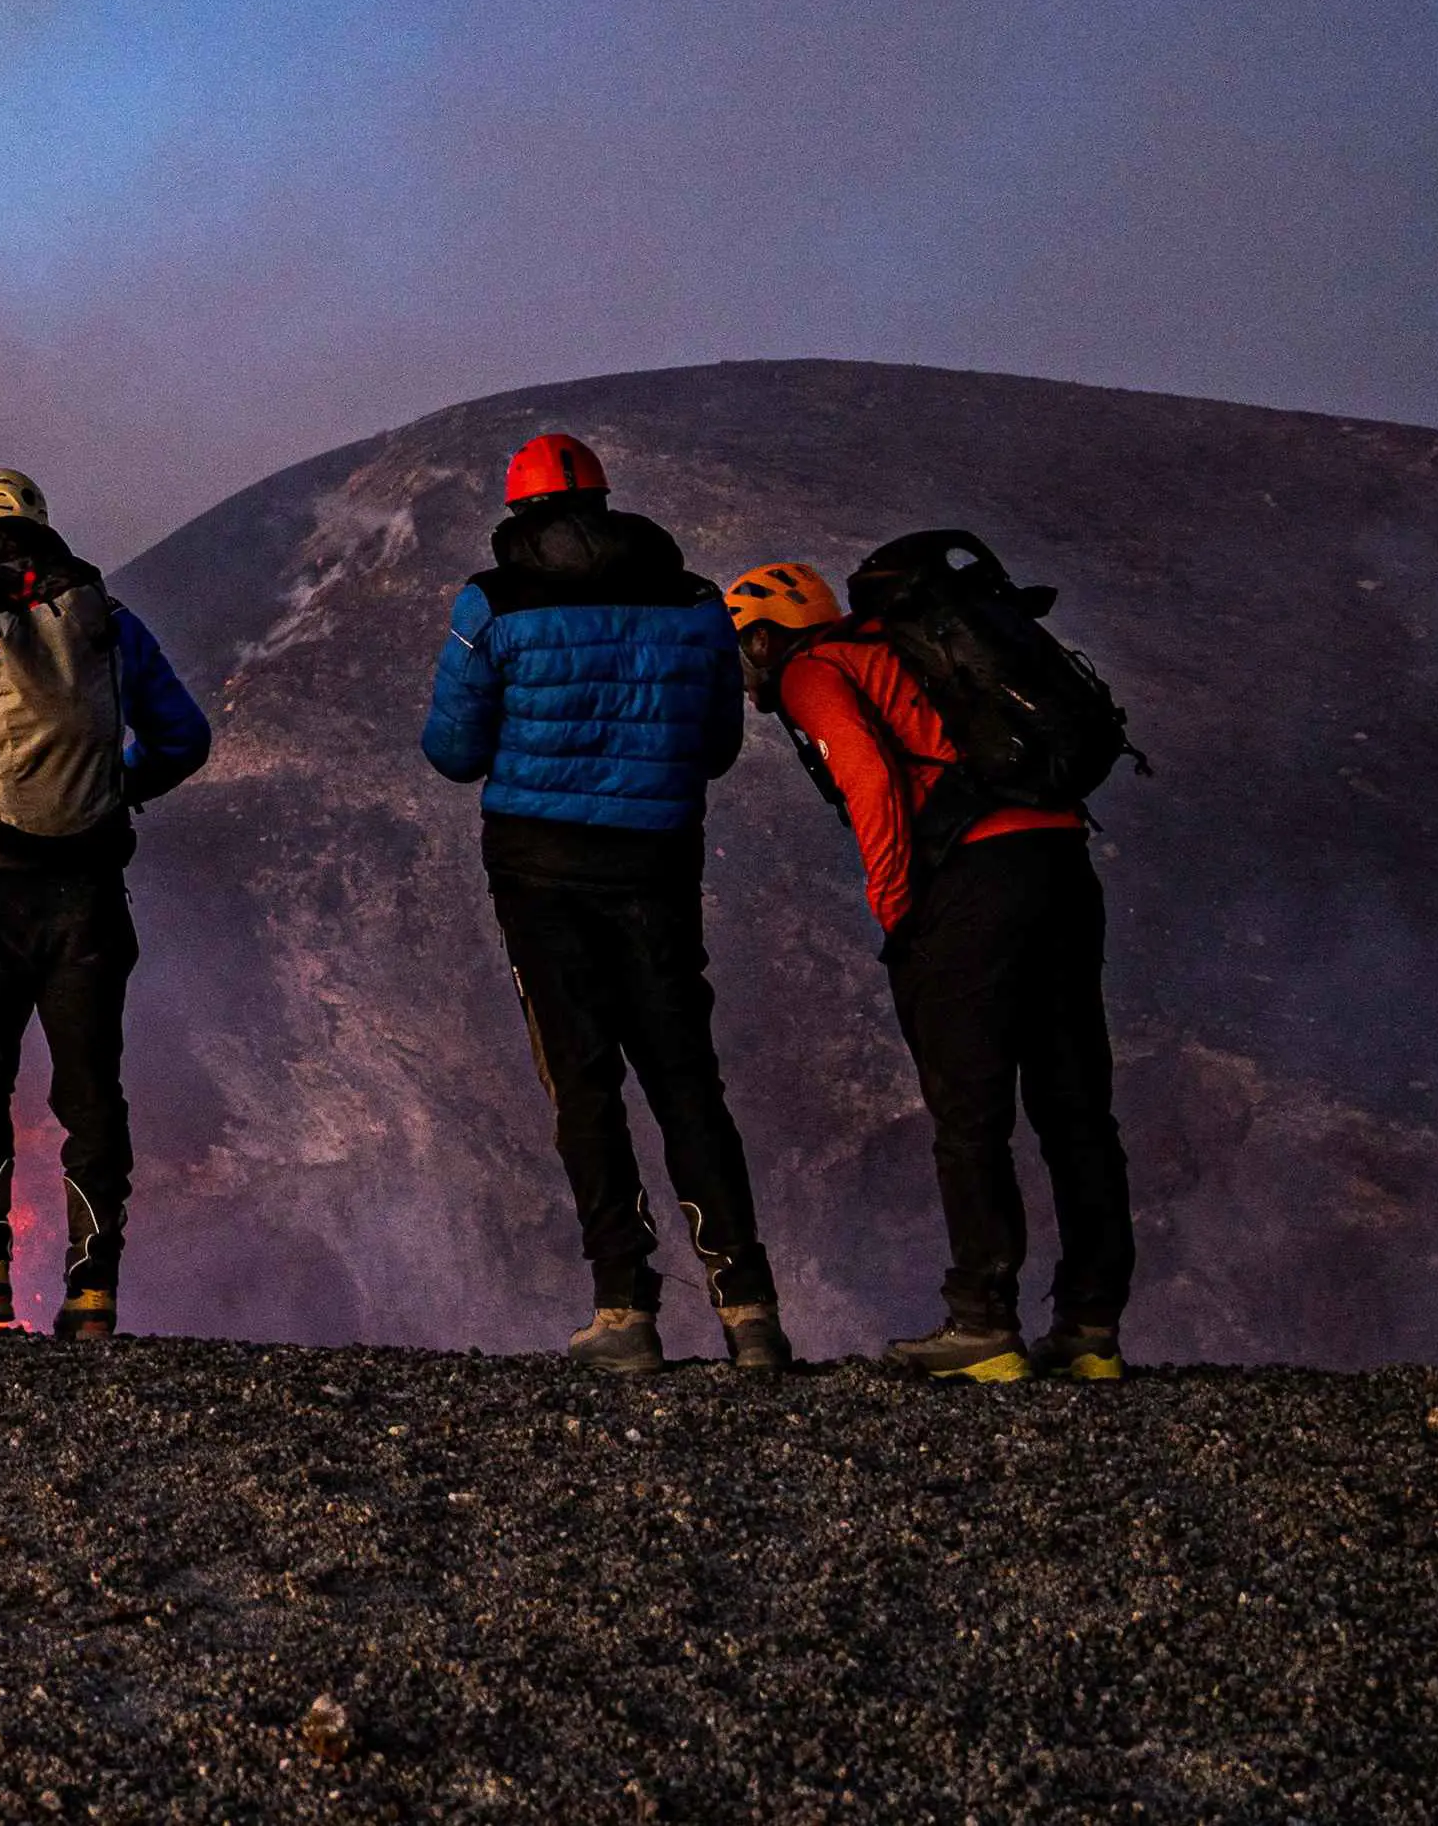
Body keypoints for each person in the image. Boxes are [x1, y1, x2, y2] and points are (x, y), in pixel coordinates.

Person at [420, 433, 793, 1375]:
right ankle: (749, 1309)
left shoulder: (491, 602)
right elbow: (715, 744)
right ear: (607, 500)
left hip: (538, 873)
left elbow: (455, 752)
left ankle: (624, 1308)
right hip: (657, 865)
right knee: (685, 1079)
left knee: (582, 1084)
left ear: (519, 512)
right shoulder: (696, 601)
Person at [726, 559, 1134, 1383]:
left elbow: (870, 780)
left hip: (973, 886)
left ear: (767, 636)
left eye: (739, 650)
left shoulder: (815, 669)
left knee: (970, 1110)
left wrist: (895, 904)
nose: (737, 675)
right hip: (1057, 860)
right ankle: (1090, 1328)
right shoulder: (903, 648)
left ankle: (981, 1324)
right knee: (1074, 1107)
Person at [0, 469, 214, 1342]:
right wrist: (117, 788)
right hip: (88, 891)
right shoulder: (108, 625)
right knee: (91, 1087)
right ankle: (92, 1290)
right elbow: (187, 737)